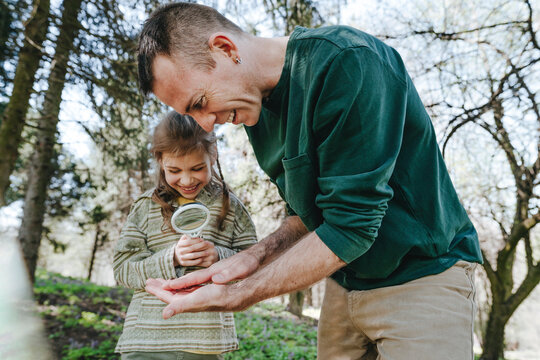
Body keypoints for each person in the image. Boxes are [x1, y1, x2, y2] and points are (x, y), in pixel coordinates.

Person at [138, 3, 483, 359]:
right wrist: (254, 258)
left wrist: (239, 294)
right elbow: (307, 216)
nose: (206, 125)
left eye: (200, 102)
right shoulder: (254, 109)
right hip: (344, 282)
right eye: (191, 113)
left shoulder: (347, 62)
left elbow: (352, 226)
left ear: (226, 49)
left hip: (422, 276)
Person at [113, 111, 257, 359]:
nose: (187, 179)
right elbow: (123, 270)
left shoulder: (232, 208)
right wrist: (171, 259)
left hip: (203, 343)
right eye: (175, 170)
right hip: (146, 341)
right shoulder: (145, 206)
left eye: (197, 168)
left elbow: (255, 266)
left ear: (212, 156)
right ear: (160, 162)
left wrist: (218, 257)